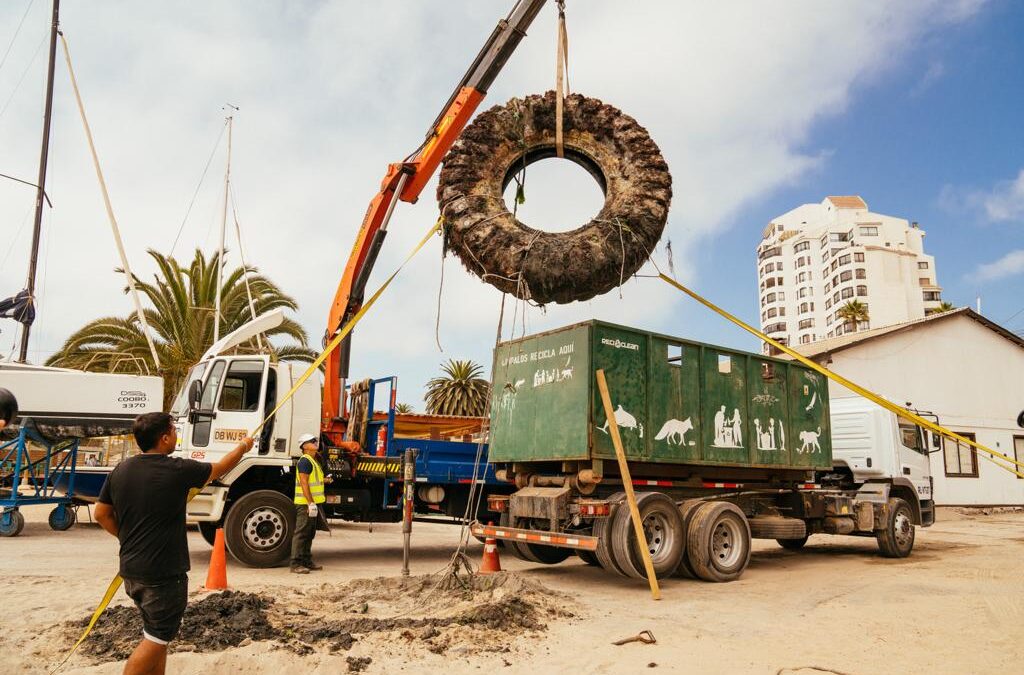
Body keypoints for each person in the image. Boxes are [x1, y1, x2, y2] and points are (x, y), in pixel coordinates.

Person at [94, 412, 252, 675]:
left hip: (131, 572)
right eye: (174, 430)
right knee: (156, 639)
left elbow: (101, 513)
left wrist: (127, 537)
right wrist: (244, 447)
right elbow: (220, 468)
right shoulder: (177, 469)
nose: (177, 434)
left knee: (156, 636)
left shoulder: (121, 469)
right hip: (163, 575)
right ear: (164, 438)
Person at [291, 432, 326, 574]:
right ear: (305, 446)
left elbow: (313, 481)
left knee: (309, 533)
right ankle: (295, 564)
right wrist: (310, 503)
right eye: (312, 441)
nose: (316, 443)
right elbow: (304, 483)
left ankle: (306, 561)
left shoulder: (313, 460)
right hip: (305, 503)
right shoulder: (305, 461)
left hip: (313, 503)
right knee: (301, 533)